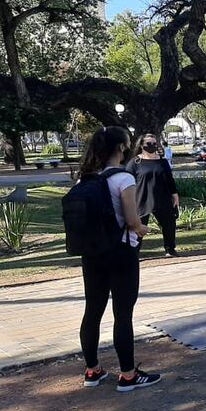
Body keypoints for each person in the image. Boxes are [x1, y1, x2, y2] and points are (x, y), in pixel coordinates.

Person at [76, 126, 161, 392]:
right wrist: (144, 229)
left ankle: (92, 370)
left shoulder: (85, 179)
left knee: (93, 310)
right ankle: (128, 375)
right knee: (122, 313)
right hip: (121, 252)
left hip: (92, 252)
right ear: (122, 148)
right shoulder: (124, 180)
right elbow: (133, 221)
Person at [126, 133, 180, 257]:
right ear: (141, 145)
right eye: (148, 144)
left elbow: (170, 179)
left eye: (154, 143)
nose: (152, 146)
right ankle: (134, 253)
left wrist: (175, 194)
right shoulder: (135, 162)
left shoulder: (162, 161)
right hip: (142, 198)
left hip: (162, 198)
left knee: (169, 224)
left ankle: (170, 249)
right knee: (138, 227)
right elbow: (127, 180)